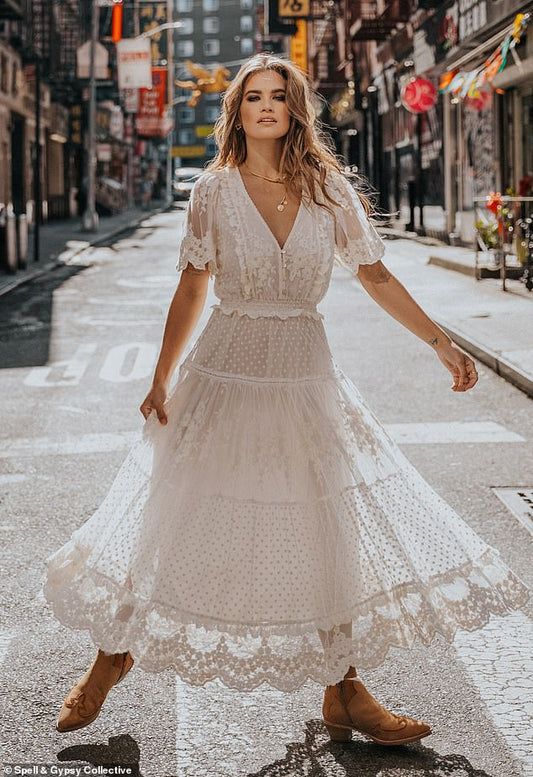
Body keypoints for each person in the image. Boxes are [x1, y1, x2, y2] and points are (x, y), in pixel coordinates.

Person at [43, 54, 529, 743]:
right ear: (236, 112)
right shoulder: (211, 190)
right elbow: (191, 285)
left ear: (294, 108)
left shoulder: (330, 189)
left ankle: (345, 688)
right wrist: (160, 375)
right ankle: (112, 654)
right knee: (174, 514)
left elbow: (375, 274)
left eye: (277, 96)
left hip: (305, 367)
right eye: (252, 98)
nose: (265, 106)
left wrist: (442, 343)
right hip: (224, 366)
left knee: (324, 522)